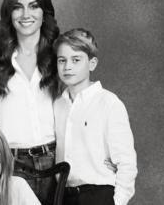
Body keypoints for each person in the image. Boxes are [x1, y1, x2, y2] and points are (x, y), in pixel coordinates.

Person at [0, 0, 59, 204]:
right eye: (18, 7)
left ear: (45, 13)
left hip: (56, 162)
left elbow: (76, 108)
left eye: (34, 6)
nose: (26, 15)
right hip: (12, 163)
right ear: (9, 13)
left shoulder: (59, 56)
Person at [53, 28, 138, 205]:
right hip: (63, 195)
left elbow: (126, 162)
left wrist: (117, 201)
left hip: (97, 194)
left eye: (76, 60)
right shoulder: (57, 106)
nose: (67, 66)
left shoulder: (108, 103)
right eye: (62, 60)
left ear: (92, 63)